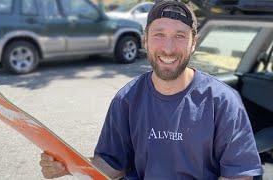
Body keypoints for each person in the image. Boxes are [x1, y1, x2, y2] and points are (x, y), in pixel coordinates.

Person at [39, 1, 263, 179]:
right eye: (159, 34)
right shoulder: (127, 99)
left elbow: (237, 175)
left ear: (194, 43)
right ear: (145, 40)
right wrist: (68, 166)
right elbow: (112, 165)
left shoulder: (223, 102)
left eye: (180, 36)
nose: (168, 48)